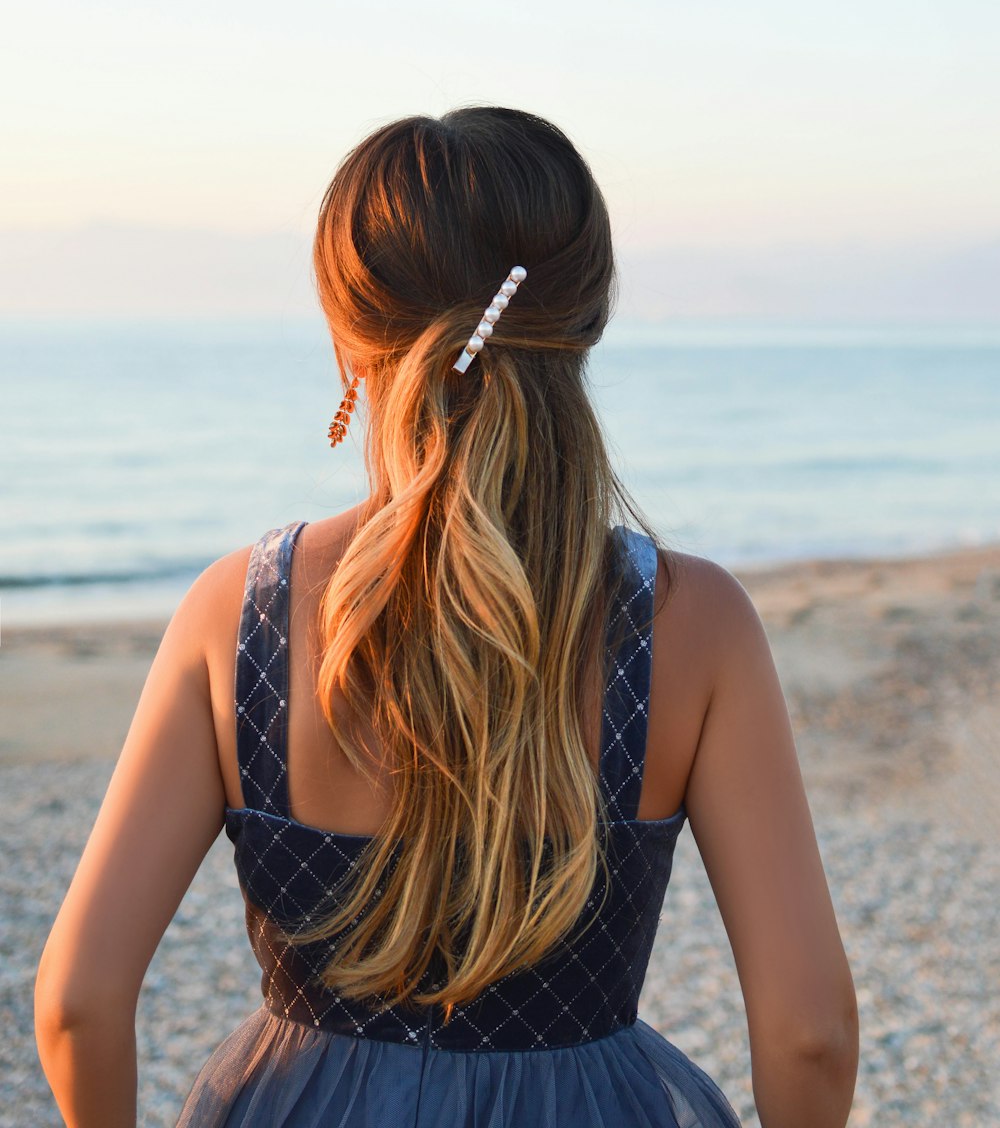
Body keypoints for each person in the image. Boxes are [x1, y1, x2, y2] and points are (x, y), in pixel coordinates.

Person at [34, 106, 859, 1128]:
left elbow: (76, 1003)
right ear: (586, 317)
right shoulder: (697, 626)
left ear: (348, 341)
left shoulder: (235, 617)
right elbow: (809, 1032)